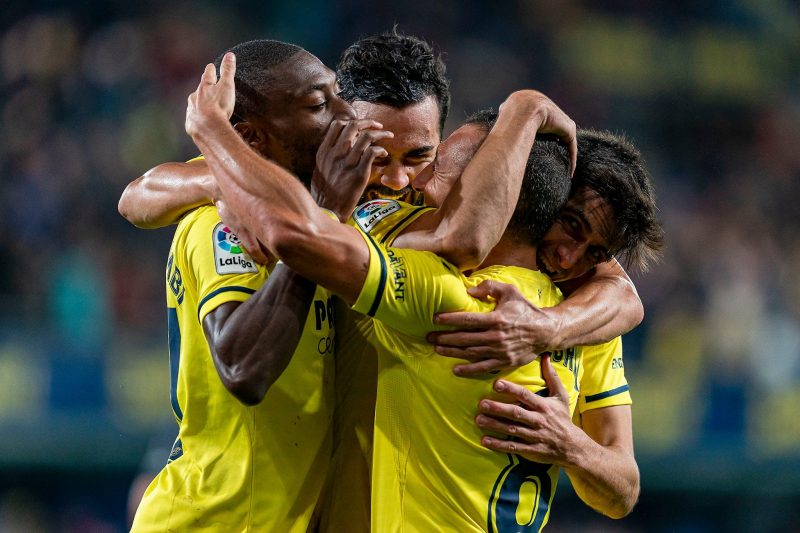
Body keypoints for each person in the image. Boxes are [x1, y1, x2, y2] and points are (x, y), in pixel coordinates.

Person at [185, 52, 663, 531]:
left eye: (423, 162)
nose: (403, 184)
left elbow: (623, 488)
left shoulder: (449, 291)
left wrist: (572, 442)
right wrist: (224, 184)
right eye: (376, 154)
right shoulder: (573, 305)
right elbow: (147, 193)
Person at [128, 39, 388, 531]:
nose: (345, 115)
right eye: (318, 105)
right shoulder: (223, 227)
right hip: (214, 520)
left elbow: (137, 195)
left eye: (339, 95)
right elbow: (243, 367)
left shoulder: (321, 212)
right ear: (251, 136)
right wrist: (319, 225)